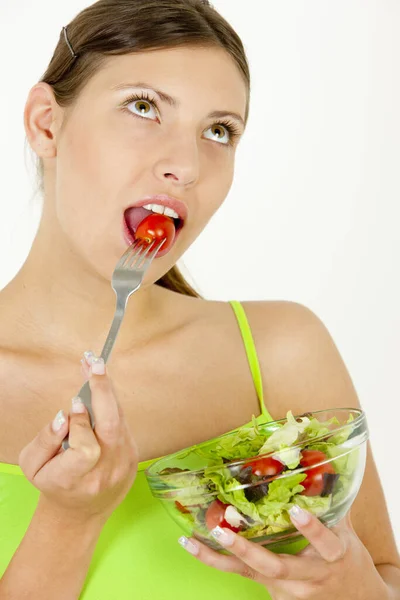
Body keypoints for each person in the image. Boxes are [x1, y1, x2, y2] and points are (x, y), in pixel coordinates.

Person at [0, 0, 399, 598]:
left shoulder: (282, 351)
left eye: (219, 131)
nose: (186, 166)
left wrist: (354, 588)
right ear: (45, 124)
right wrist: (69, 519)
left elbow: (383, 577)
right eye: (143, 107)